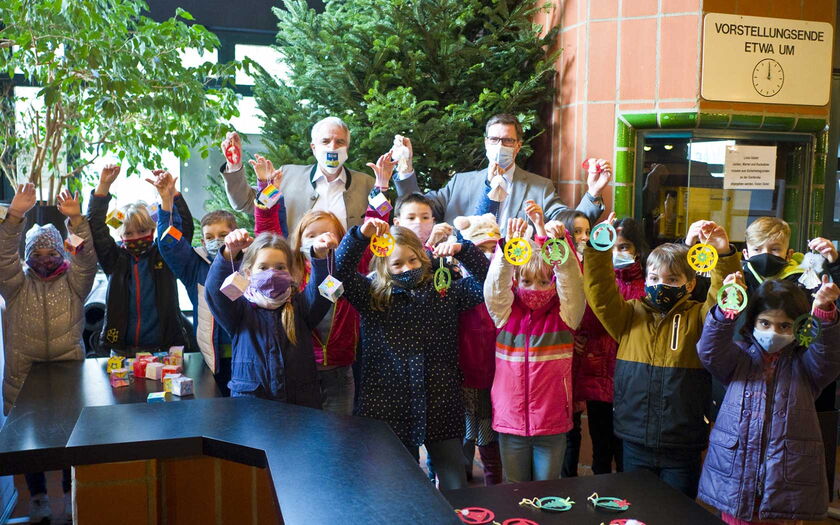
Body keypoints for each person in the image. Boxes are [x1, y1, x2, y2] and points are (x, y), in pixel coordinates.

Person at [583, 220, 739, 498]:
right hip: (634, 437)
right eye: (654, 279)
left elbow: (719, 302)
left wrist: (724, 257)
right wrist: (597, 248)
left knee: (678, 511)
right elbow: (601, 294)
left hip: (682, 440)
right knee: (636, 508)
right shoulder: (630, 315)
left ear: (690, 285)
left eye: (672, 280)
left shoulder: (699, 316)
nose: (661, 285)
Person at [333, 219, 490, 490]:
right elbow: (341, 272)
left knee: (455, 482)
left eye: (413, 260)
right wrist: (360, 236)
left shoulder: (447, 292)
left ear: (423, 257)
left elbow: (487, 282)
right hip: (387, 404)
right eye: (397, 264)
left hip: (441, 402)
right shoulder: (372, 296)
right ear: (384, 266)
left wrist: (463, 250)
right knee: (393, 486)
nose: (407, 268)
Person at [697, 274, 840, 524]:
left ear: (799, 326)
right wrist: (727, 308)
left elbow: (828, 357)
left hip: (786, 482)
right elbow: (710, 350)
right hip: (736, 478)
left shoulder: (806, 365)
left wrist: (824, 315)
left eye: (784, 325)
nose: (773, 332)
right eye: (765, 323)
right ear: (752, 322)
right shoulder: (739, 359)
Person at [0, 183, 97, 522]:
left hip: (67, 372)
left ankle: (73, 496)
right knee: (30, 444)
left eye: (52, 253)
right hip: (22, 375)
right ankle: (38, 497)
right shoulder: (15, 283)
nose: (45, 260)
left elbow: (86, 260)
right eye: (37, 255)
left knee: (71, 440)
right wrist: (14, 217)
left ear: (62, 253)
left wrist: (76, 222)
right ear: (27, 258)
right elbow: (3, 256)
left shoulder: (74, 282)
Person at [483, 216, 585, 483]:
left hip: (551, 424)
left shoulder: (565, 316)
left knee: (547, 493)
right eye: (527, 282)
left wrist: (558, 245)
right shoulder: (505, 314)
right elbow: (495, 287)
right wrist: (507, 249)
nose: (535, 289)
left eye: (543, 282)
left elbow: (572, 283)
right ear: (516, 283)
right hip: (511, 423)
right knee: (515, 491)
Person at [392, 114, 610, 229]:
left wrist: (592, 193)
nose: (500, 145)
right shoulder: (460, 182)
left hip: (513, 275)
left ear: (518, 145)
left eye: (507, 140)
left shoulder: (540, 188)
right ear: (486, 143)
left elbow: (568, 224)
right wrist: (406, 169)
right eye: (495, 139)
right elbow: (417, 209)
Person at [204, 228, 335, 403]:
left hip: (300, 408)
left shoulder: (301, 307)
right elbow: (215, 292)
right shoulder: (239, 310)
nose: (271, 273)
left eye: (280, 267)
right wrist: (229, 254)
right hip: (252, 408)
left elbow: (323, 293)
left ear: (291, 272)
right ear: (249, 272)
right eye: (263, 267)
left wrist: (320, 256)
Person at [561, 214, 647, 477]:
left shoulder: (644, 283)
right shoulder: (594, 278)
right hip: (598, 375)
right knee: (601, 449)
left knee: (625, 450)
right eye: (611, 247)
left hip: (629, 375)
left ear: (636, 249)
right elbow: (583, 319)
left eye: (623, 247)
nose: (616, 252)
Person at [146, 170, 237, 394]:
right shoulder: (194, 266)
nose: (217, 240)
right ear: (203, 240)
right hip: (210, 358)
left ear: (234, 234)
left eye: (223, 234)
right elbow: (169, 244)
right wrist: (167, 202)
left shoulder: (249, 263)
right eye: (210, 236)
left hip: (244, 355)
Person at [87, 164, 189, 355]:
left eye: (142, 231)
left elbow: (182, 231)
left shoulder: (164, 254)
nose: (136, 237)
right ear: (121, 235)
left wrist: (171, 194)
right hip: (122, 349)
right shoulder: (114, 258)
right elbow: (96, 227)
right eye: (129, 233)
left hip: (164, 348)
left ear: (152, 230)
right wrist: (103, 187)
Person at [218, 118, 386, 230]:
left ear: (347, 148)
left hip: (348, 276)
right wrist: (234, 166)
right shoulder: (287, 176)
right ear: (314, 148)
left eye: (340, 142)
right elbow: (245, 202)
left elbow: (383, 222)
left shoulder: (367, 184)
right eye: (325, 141)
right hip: (297, 274)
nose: (332, 147)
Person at [451, 212, 504, 485]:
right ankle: (458, 486)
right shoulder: (457, 289)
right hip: (463, 378)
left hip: (495, 380)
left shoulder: (505, 292)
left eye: (491, 249)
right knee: (462, 436)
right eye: (479, 249)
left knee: (488, 438)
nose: (486, 257)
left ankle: (494, 485)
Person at [740, 217, 840, 294]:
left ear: (789, 254)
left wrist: (835, 263)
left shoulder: (805, 281)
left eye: (775, 249)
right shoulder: (740, 280)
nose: (765, 254)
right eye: (757, 249)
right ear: (746, 254)